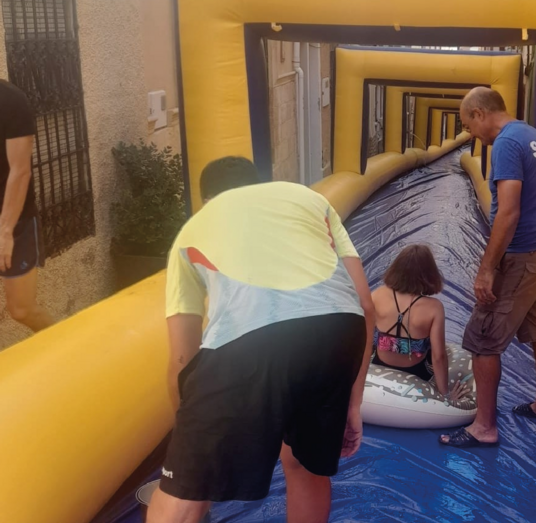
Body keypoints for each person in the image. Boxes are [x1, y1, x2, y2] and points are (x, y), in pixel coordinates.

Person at [147, 157, 376, 523]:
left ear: (206, 200)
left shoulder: (194, 229)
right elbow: (365, 304)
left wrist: (189, 446)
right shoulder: (310, 200)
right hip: (336, 330)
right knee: (304, 465)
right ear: (259, 183)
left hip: (246, 341)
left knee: (184, 491)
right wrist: (353, 401)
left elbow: (181, 360)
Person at [441, 87, 536, 448]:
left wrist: (487, 269)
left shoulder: (507, 143)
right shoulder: (534, 137)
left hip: (521, 256)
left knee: (483, 338)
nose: (472, 135)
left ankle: (484, 428)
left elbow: (509, 211)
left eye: (469, 126)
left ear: (480, 113)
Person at [0, 52, 55, 358]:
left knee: (21, 310)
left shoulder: (9, 100)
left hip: (12, 222)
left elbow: (20, 171)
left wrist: (3, 234)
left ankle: (70, 349)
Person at [371, 244, 468, 401]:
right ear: (429, 274)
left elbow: (363, 339)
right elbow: (438, 356)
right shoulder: (434, 307)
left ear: (396, 269)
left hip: (380, 363)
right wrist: (445, 395)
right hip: (415, 371)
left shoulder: (377, 295)